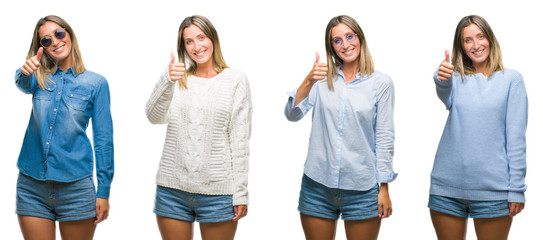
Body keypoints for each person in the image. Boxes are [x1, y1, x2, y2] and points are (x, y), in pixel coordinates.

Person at [284, 15, 397, 240]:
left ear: (360, 38)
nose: (345, 45)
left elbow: (384, 136)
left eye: (349, 37)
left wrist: (383, 187)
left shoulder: (381, 83)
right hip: (317, 185)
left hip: (362, 189)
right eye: (337, 40)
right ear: (332, 47)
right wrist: (308, 81)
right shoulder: (321, 79)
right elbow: (292, 115)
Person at [145, 15, 252, 240]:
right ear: (183, 46)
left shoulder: (236, 80)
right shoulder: (177, 78)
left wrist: (240, 193)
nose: (197, 46)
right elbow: (153, 117)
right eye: (189, 41)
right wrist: (167, 79)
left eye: (201, 37)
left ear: (212, 38)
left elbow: (239, 141)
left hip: (218, 194)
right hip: (172, 191)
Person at [15, 15, 114, 240]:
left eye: (59, 34)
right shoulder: (38, 77)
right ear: (42, 48)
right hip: (32, 187)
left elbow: (103, 140)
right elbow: (22, 84)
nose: (56, 42)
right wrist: (25, 70)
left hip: (76, 189)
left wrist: (104, 190)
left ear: (69, 34)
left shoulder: (96, 84)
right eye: (46, 40)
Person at [429, 15, 528, 240]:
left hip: (494, 190)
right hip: (446, 187)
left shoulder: (512, 80)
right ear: (461, 46)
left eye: (481, 37)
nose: (476, 45)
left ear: (490, 39)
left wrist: (516, 189)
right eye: (468, 40)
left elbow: (516, 139)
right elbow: (445, 93)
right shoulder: (454, 78)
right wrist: (441, 77)